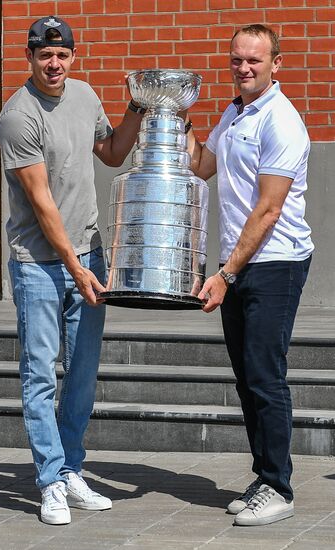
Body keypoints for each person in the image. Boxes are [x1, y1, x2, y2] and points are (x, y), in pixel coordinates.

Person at [0, 16, 147, 525]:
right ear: (30, 57)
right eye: (45, 55)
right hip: (39, 264)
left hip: (89, 253)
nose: (54, 64)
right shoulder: (18, 116)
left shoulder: (83, 96)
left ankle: (71, 469)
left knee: (81, 374)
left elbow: (111, 152)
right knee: (40, 375)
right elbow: (41, 202)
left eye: (62, 55)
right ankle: (49, 481)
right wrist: (74, 268)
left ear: (73, 56)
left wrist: (137, 107)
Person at [185, 24, 314, 526]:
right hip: (240, 263)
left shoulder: (281, 120)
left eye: (254, 61)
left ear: (276, 64)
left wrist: (225, 274)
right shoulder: (234, 112)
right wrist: (179, 117)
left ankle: (279, 487)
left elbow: (268, 210)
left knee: (265, 376)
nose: (243, 68)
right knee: (246, 378)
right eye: (237, 59)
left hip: (275, 263)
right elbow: (200, 166)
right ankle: (264, 475)